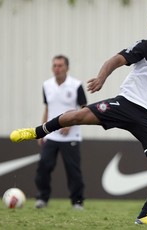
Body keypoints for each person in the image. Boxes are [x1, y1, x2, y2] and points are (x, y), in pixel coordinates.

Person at [10, 5, 147, 225]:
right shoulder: (144, 47)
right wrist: (101, 77)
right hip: (126, 104)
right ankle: (35, 131)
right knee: (77, 116)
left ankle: (146, 214)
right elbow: (114, 60)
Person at [34, 55, 87, 210]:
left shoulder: (76, 85)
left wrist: (70, 124)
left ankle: (77, 202)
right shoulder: (47, 85)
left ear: (67, 68)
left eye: (60, 65)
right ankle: (42, 198)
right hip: (51, 135)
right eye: (55, 65)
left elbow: (84, 108)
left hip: (71, 136)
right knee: (43, 166)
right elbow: (48, 109)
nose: (57, 68)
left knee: (73, 170)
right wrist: (41, 131)